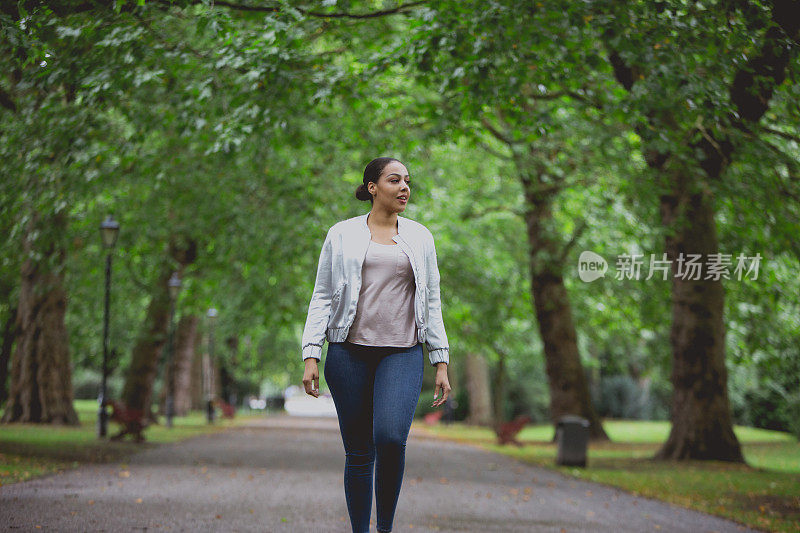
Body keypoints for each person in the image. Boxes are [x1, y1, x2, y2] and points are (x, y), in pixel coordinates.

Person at [301, 157, 452, 533]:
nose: (404, 188)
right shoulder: (341, 234)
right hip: (348, 353)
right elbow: (322, 296)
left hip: (401, 352)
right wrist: (311, 354)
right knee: (358, 451)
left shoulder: (420, 237)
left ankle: (384, 528)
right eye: (394, 180)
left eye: (407, 182)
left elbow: (431, 299)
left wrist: (441, 360)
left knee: (389, 437)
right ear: (372, 187)